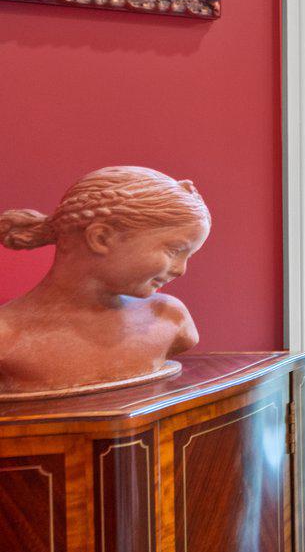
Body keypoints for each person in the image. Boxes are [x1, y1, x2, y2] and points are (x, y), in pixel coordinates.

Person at [0, 167, 210, 397]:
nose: (181, 270)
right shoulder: (5, 337)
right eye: (174, 251)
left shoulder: (170, 317)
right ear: (100, 238)